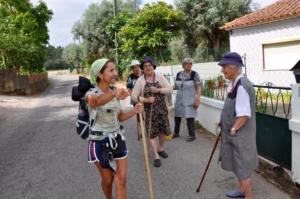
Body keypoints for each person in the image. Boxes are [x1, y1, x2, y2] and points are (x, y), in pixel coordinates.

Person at [85, 58, 143, 199]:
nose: (115, 73)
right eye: (111, 70)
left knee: (121, 180)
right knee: (108, 180)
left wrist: (134, 111)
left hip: (117, 139)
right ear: (100, 74)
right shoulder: (91, 93)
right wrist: (113, 93)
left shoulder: (114, 92)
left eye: (114, 70)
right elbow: (95, 102)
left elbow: (119, 117)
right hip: (99, 141)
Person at [217, 52, 258, 199]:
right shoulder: (235, 84)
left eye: (224, 66)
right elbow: (234, 109)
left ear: (234, 67)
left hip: (240, 135)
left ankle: (249, 196)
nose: (222, 70)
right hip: (236, 134)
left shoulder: (241, 86)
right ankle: (242, 190)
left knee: (242, 165)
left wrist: (233, 129)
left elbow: (244, 114)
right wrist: (224, 121)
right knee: (238, 163)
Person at [131, 56, 173, 167]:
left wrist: (159, 90)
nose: (148, 68)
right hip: (149, 112)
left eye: (150, 65)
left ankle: (161, 148)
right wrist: (146, 100)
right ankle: (156, 155)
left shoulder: (160, 77)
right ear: (143, 68)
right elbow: (134, 96)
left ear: (153, 66)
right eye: (145, 66)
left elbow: (170, 89)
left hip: (162, 110)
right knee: (151, 132)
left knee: (163, 130)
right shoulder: (140, 80)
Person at [172, 58, 201, 142]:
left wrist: (197, 100)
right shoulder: (178, 74)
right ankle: (176, 133)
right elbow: (176, 86)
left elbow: (198, 87)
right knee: (177, 116)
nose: (188, 65)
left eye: (190, 63)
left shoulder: (194, 74)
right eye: (186, 63)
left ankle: (192, 135)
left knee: (190, 116)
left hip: (190, 99)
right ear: (183, 65)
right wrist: (167, 88)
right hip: (179, 99)